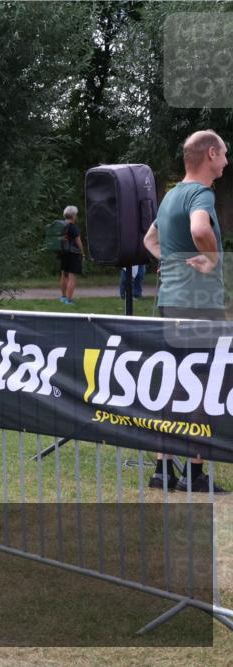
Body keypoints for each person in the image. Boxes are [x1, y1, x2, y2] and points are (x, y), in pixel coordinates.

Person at [143, 129, 228, 493]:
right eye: (224, 153)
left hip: (170, 301)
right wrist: (212, 259)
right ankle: (194, 471)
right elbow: (199, 228)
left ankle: (163, 470)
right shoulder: (200, 193)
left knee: (172, 383)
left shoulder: (170, 196)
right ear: (210, 154)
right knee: (201, 386)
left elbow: (149, 240)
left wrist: (172, 261)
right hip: (200, 305)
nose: (226, 160)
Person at [57, 205, 84, 305]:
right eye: (75, 215)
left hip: (63, 253)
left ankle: (63, 297)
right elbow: (78, 242)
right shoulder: (73, 227)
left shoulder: (61, 225)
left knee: (64, 274)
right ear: (73, 215)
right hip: (73, 254)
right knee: (72, 277)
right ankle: (69, 300)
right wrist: (83, 253)